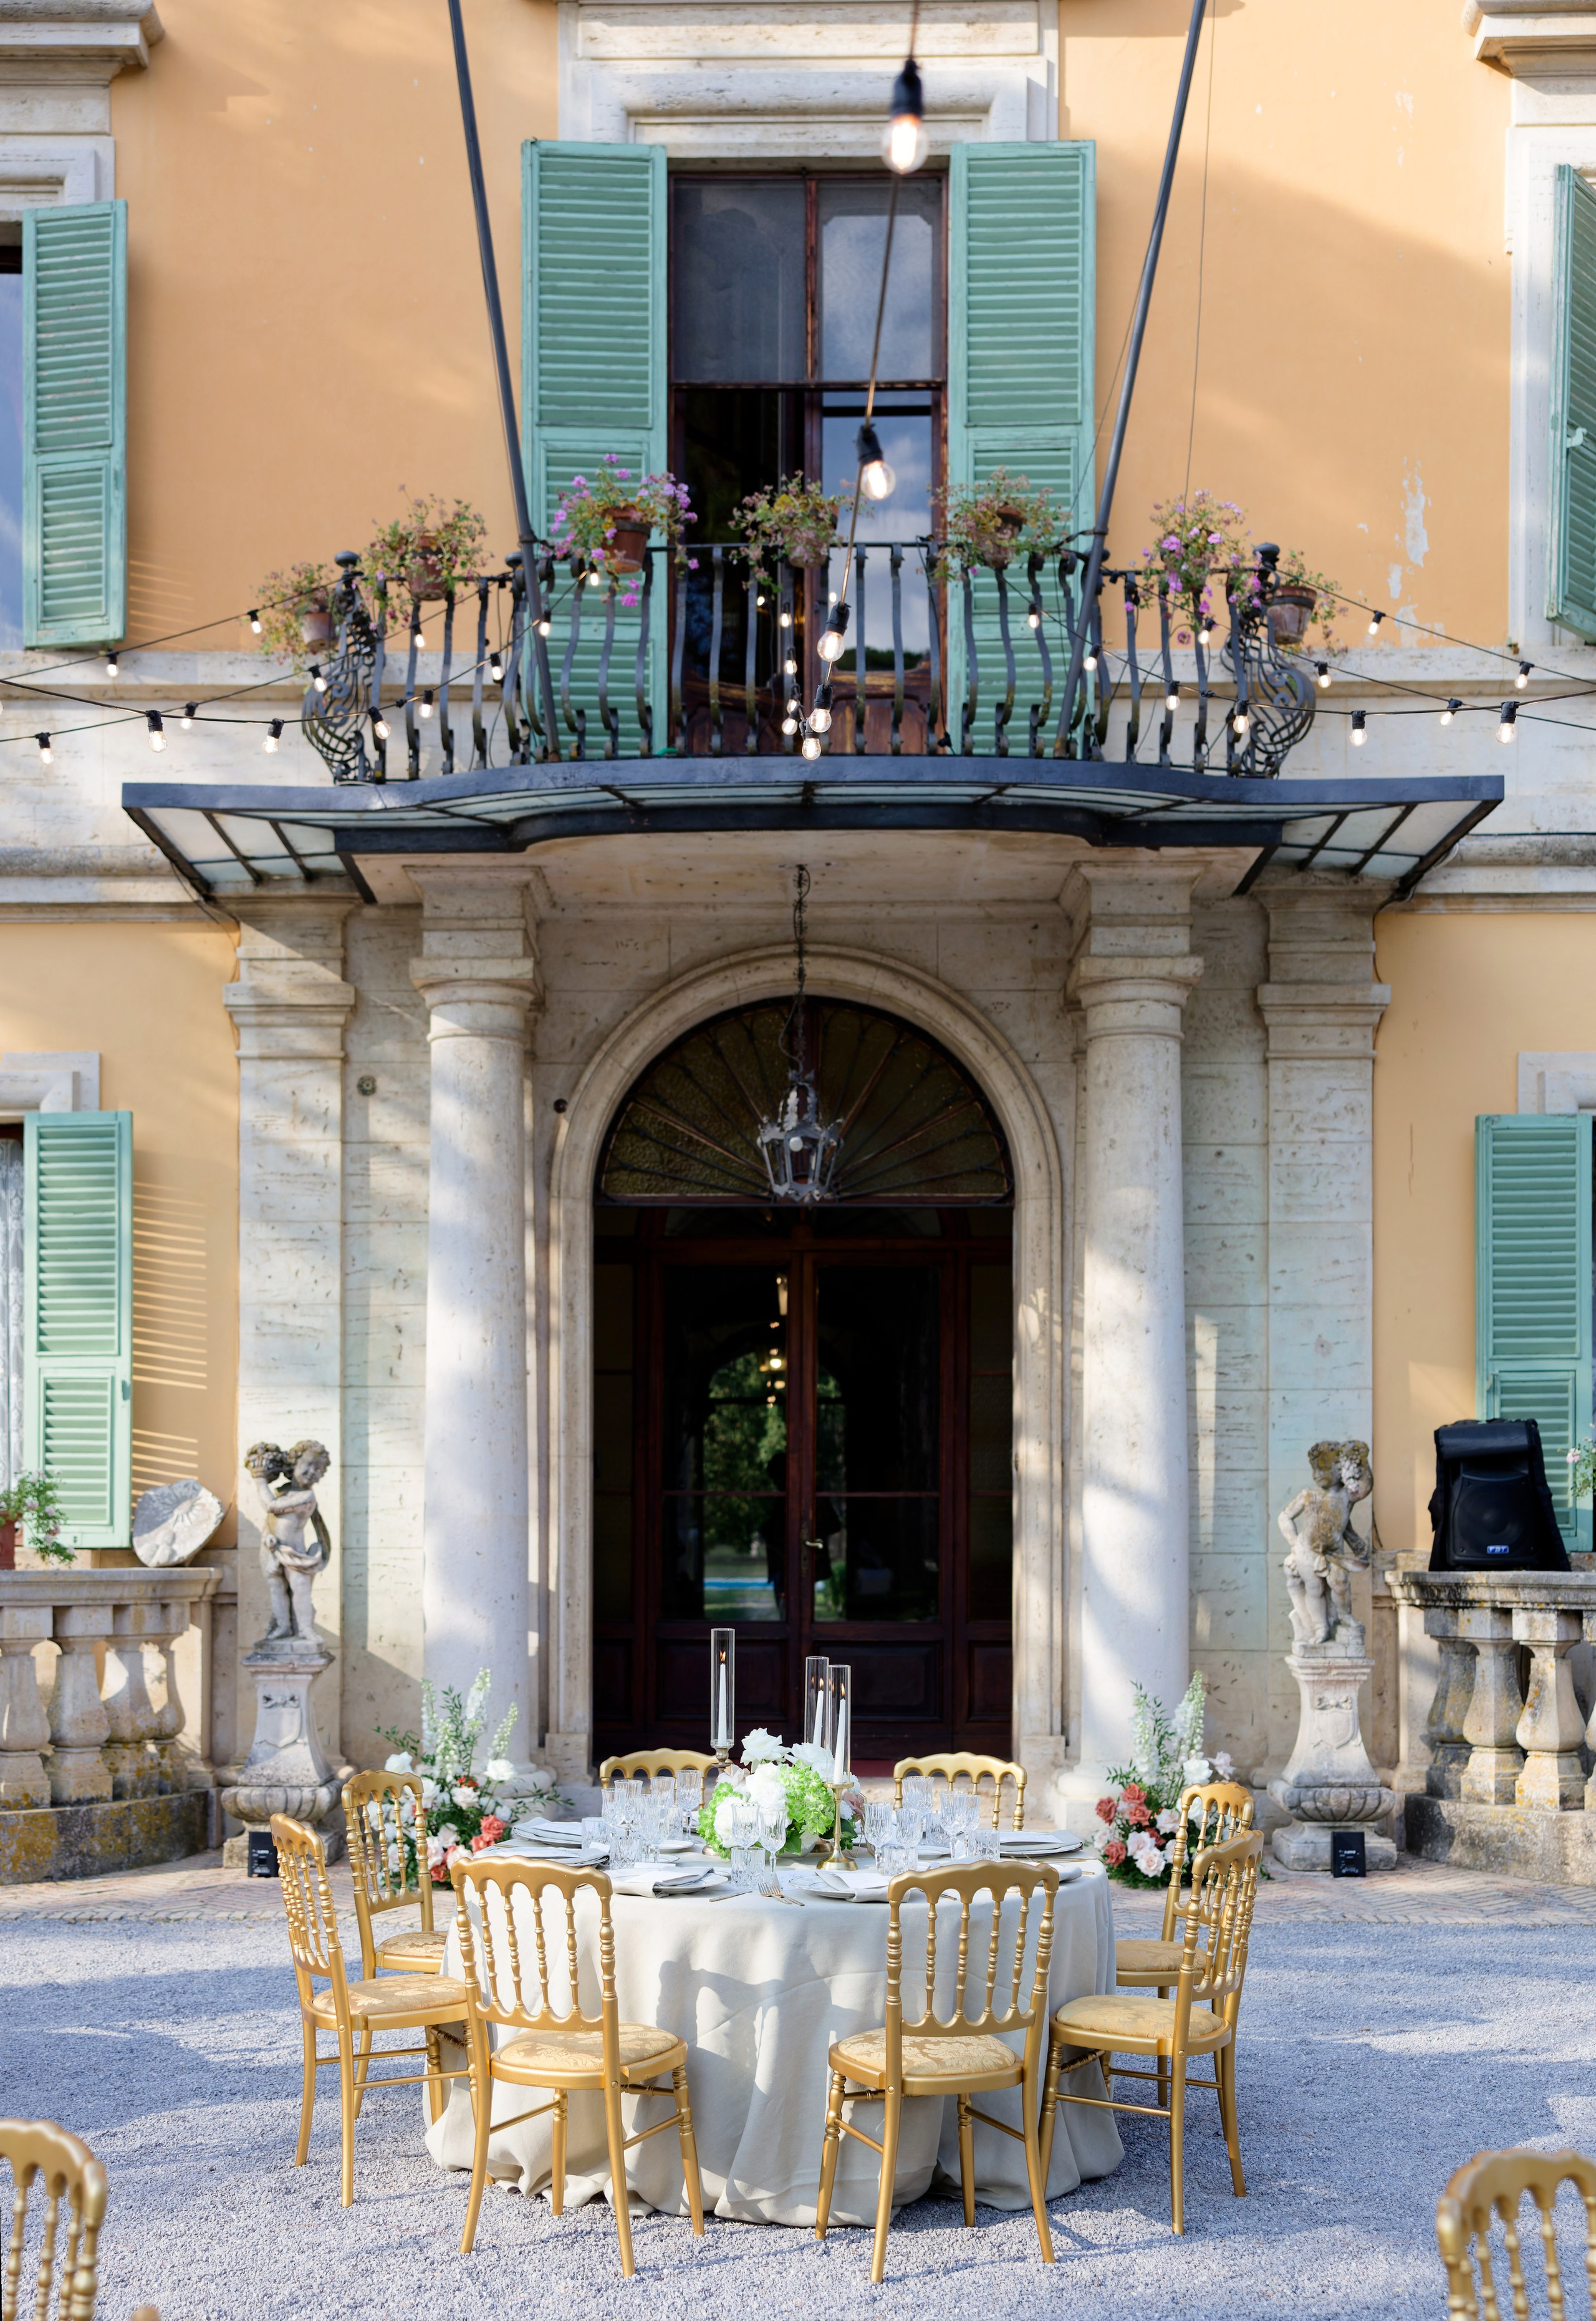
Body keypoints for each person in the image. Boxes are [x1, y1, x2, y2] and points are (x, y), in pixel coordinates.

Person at [245, 1438, 332, 1643]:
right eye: (308, 1465)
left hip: (295, 1551)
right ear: (294, 1464)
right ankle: (283, 1626)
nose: (312, 1472)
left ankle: (305, 1629)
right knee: (277, 1589)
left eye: (318, 1469)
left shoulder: (307, 1497)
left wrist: (259, 1480)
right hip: (273, 1549)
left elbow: (272, 1508)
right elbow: (271, 1520)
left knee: (300, 1589)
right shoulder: (281, 1491)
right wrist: (268, 1537)